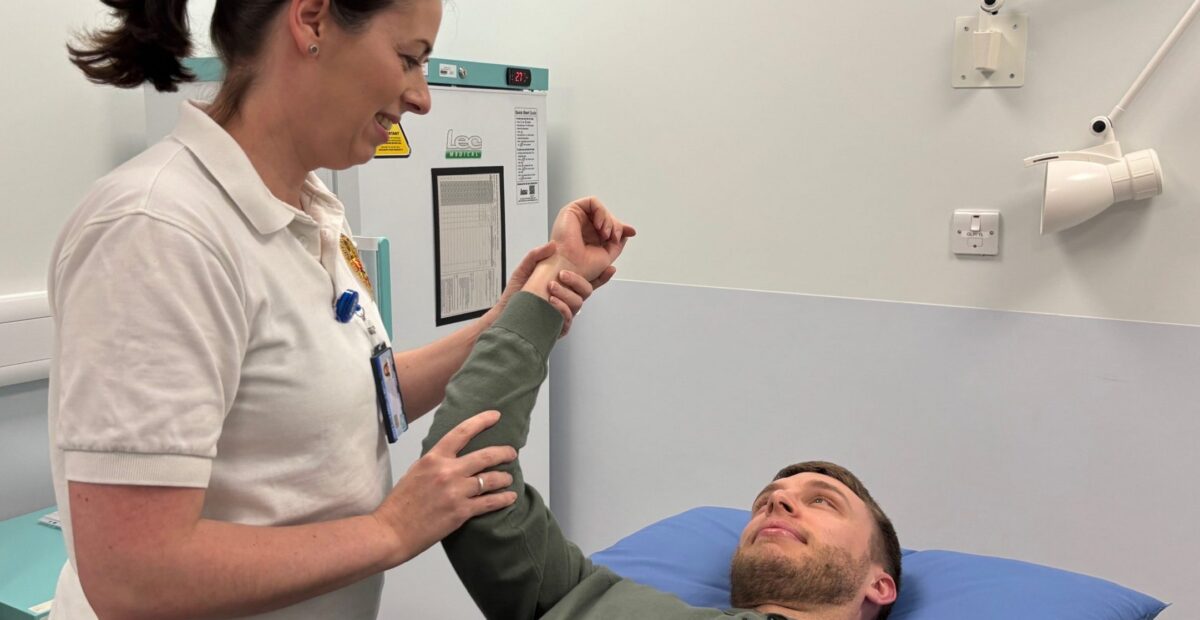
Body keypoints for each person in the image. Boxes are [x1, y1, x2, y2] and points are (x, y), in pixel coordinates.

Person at [50, 0, 633, 618]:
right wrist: (391, 530)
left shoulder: (311, 209)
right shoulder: (159, 229)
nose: (422, 97)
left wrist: (509, 318)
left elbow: (356, 401)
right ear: (313, 21)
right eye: (409, 59)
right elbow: (135, 574)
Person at [419, 282, 902, 618]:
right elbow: (467, 461)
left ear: (878, 586)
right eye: (765, 500)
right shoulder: (583, 598)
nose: (778, 501)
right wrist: (549, 286)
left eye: (822, 501)